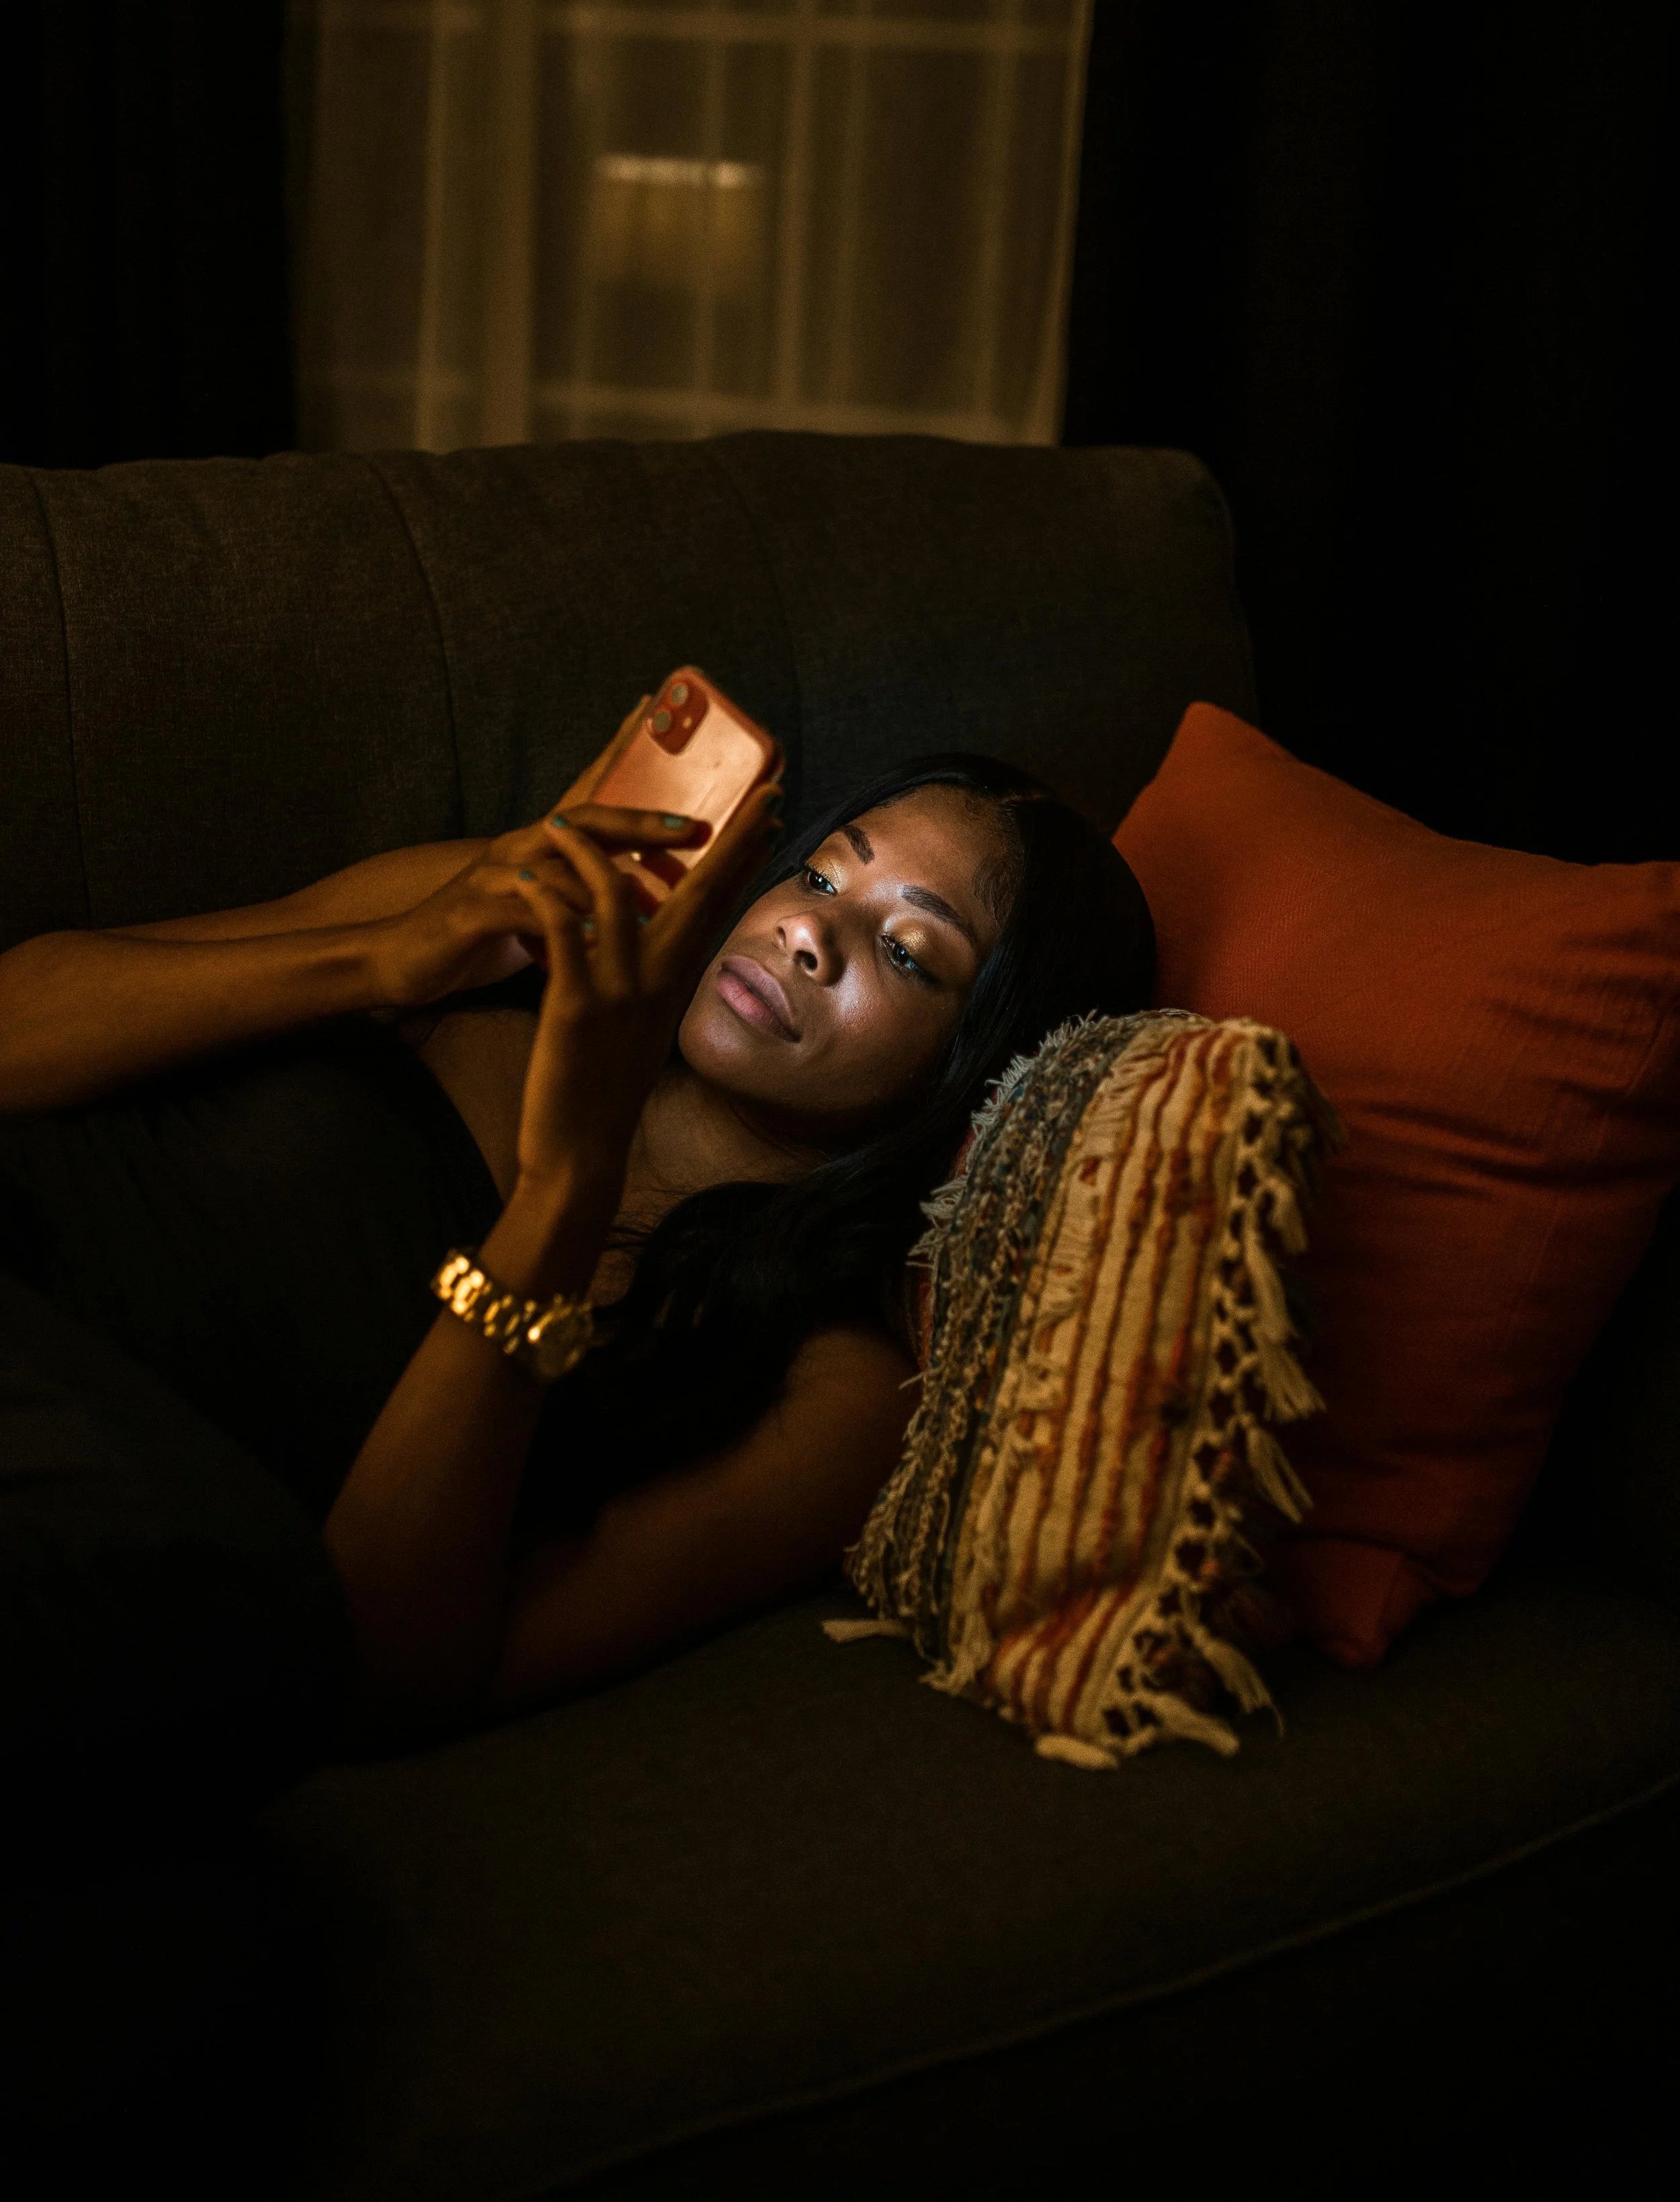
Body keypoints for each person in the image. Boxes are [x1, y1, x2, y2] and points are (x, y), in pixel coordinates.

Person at [0, 700, 1154, 1740]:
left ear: (972, 1075)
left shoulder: (835, 1390)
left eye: (907, 951)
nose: (812, 934)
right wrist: (383, 960)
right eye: (815, 878)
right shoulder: (501, 941)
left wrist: (566, 1186)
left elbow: (385, 1672)